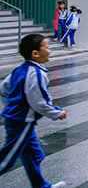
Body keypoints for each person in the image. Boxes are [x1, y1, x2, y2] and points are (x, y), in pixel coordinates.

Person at [0, 34, 67, 188]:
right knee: (7, 159)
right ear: (35, 53)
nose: (49, 51)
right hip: (21, 122)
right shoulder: (35, 73)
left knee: (33, 154)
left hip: (20, 120)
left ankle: (41, 185)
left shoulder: (20, 70)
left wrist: (10, 106)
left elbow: (3, 89)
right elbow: (39, 102)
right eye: (47, 47)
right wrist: (56, 113)